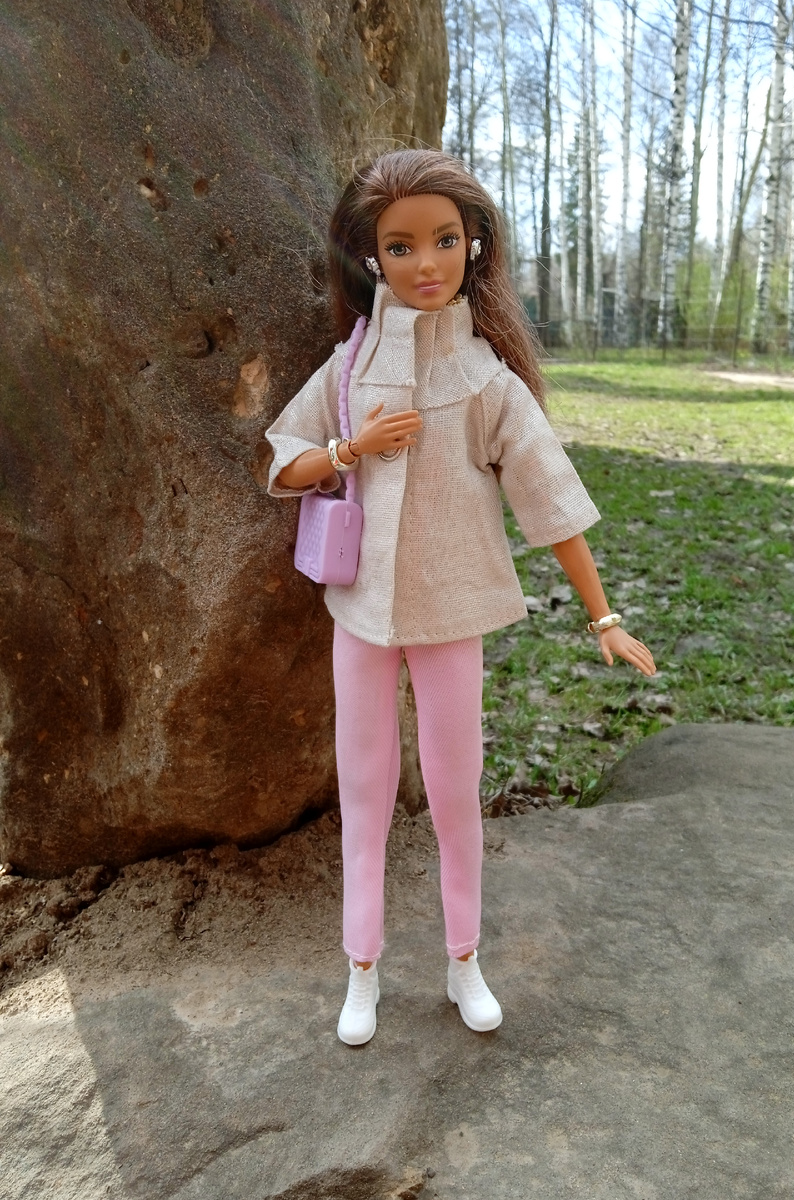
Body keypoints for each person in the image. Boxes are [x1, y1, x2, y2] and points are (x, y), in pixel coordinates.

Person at [265, 149, 656, 1046]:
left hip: (452, 615)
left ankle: (464, 957)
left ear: (475, 245)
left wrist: (602, 614)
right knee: (364, 790)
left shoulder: (486, 380)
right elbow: (283, 456)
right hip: (361, 613)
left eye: (445, 240)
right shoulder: (349, 367)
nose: (426, 263)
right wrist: (349, 450)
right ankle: (361, 968)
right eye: (401, 247)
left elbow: (550, 499)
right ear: (372, 257)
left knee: (454, 790)